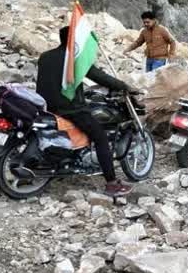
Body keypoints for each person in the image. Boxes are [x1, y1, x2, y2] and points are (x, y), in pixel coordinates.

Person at [37, 26, 137, 196]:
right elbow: (99, 77)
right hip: (69, 109)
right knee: (100, 137)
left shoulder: (45, 56)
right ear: (73, 41)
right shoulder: (75, 60)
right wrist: (125, 86)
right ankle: (112, 183)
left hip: (46, 107)